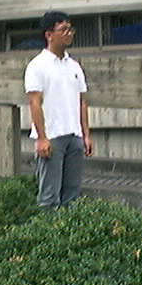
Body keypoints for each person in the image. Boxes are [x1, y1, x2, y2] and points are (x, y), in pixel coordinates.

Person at [24, 11, 93, 209]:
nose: (69, 33)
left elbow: (82, 101)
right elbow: (35, 103)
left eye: (70, 29)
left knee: (72, 195)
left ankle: (67, 227)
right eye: (63, 30)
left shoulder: (74, 66)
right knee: (49, 196)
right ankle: (47, 228)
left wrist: (86, 135)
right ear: (49, 35)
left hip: (74, 136)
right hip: (52, 138)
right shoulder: (37, 66)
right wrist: (42, 138)